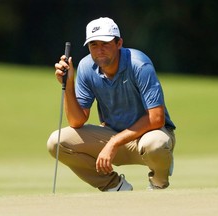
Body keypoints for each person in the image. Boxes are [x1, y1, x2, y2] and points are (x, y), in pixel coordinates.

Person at [47, 17, 176, 191]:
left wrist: (113, 143)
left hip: (147, 136)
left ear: (119, 43)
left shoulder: (139, 64)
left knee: (156, 144)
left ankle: (159, 181)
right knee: (57, 142)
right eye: (94, 45)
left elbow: (156, 119)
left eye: (105, 44)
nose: (99, 51)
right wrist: (68, 85)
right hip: (112, 135)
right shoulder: (86, 67)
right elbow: (76, 122)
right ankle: (115, 186)